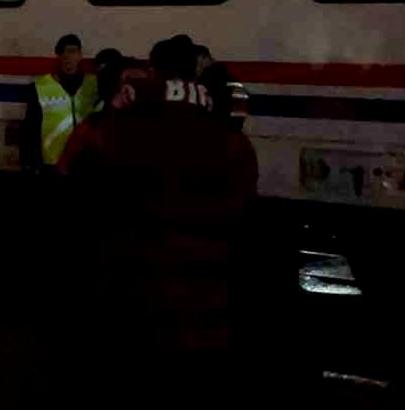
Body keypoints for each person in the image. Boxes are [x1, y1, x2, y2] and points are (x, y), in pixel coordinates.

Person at [58, 36, 258, 384]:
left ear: (153, 70)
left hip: (136, 291)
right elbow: (243, 200)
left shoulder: (118, 125)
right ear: (194, 70)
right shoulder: (228, 135)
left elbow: (73, 167)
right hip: (205, 300)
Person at [22, 34, 99, 170]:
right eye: (62, 52)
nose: (67, 56)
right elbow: (30, 128)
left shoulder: (95, 84)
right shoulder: (40, 87)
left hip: (86, 159)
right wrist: (28, 162)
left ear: (80, 55)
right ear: (58, 56)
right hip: (53, 161)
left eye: (72, 51)